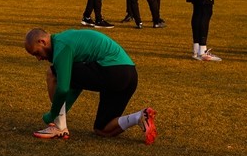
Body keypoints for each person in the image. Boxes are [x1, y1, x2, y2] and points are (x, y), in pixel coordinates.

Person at [22, 28, 156, 144]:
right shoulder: (66, 39)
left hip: (113, 71)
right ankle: (139, 117)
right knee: (102, 129)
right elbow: (77, 83)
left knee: (53, 73)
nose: (38, 58)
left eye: (37, 53)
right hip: (130, 75)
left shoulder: (61, 47)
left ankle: (59, 127)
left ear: (42, 41)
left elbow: (63, 89)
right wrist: (62, 110)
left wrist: (53, 114)